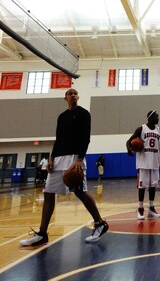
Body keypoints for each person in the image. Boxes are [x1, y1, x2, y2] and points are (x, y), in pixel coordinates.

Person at [20, 88, 108, 247]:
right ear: (65, 98)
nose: (73, 95)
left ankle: (100, 223)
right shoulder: (62, 117)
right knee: (48, 193)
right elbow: (58, 138)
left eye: (75, 93)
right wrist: (51, 158)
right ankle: (42, 234)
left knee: (80, 192)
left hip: (74, 158)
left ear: (78, 96)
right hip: (58, 158)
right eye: (70, 93)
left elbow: (85, 138)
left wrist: (80, 160)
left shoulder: (84, 114)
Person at [129, 110, 160, 220]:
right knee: (142, 186)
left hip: (154, 162)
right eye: (156, 117)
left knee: (153, 186)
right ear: (150, 117)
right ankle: (140, 209)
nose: (158, 119)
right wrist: (129, 148)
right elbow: (129, 141)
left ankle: (151, 207)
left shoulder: (159, 130)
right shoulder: (141, 128)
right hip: (143, 162)